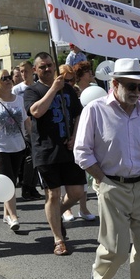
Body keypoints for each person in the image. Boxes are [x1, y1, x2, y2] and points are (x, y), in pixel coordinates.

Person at [74, 58, 140, 279]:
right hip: (112, 185)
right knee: (116, 249)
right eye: (131, 86)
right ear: (114, 83)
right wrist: (103, 179)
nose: (137, 92)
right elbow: (82, 152)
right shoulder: (95, 110)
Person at [24, 52, 85, 256]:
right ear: (35, 70)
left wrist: (75, 138)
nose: (47, 69)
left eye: (50, 65)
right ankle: (58, 239)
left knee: (77, 192)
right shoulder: (32, 91)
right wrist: (53, 89)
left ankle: (56, 214)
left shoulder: (67, 89)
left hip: (68, 149)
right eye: (42, 67)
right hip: (46, 150)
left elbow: (78, 115)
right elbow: (36, 112)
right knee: (53, 193)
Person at [0, 70, 30, 231]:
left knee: (13, 180)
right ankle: (14, 216)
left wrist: (32, 138)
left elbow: (25, 121)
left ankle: (6, 213)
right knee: (7, 182)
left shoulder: (19, 100)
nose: (8, 80)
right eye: (4, 78)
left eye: (9, 77)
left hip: (18, 146)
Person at [60, 64, 94, 222]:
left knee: (82, 176)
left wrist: (75, 136)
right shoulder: (55, 92)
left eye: (71, 79)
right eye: (65, 79)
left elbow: (80, 115)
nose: (69, 82)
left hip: (79, 136)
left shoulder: (77, 92)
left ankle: (83, 207)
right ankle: (66, 209)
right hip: (62, 141)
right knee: (64, 179)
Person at [13, 60, 44, 201]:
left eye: (26, 71)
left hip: (38, 124)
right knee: (30, 157)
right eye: (21, 71)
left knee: (37, 156)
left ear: (33, 70)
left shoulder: (39, 86)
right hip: (25, 125)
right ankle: (26, 186)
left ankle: (32, 186)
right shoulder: (17, 89)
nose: (23, 74)